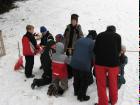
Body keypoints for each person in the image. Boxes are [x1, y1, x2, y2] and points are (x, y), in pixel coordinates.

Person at [94, 25, 121, 105]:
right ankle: (113, 101)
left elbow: (95, 50)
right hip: (113, 64)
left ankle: (103, 103)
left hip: (100, 63)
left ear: (106, 29)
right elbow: (119, 50)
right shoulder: (117, 36)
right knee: (113, 83)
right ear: (114, 30)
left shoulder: (99, 35)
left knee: (101, 84)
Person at [70, 31, 96, 102]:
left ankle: (76, 92)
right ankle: (81, 96)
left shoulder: (80, 39)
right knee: (85, 80)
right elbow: (93, 55)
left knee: (76, 78)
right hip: (84, 64)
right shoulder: (92, 43)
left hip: (74, 62)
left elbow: (74, 49)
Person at [64, 14, 83, 78]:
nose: (73, 22)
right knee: (67, 60)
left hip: (74, 48)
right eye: (72, 20)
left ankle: (72, 73)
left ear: (77, 21)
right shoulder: (68, 27)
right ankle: (68, 73)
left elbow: (81, 38)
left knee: (73, 61)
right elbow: (64, 37)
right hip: (67, 47)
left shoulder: (78, 28)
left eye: (74, 20)